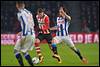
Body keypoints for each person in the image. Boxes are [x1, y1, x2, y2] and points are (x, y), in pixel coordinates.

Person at [14, 1, 35, 66]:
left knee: (17, 51)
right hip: (32, 34)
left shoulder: (21, 13)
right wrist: (22, 32)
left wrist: (23, 35)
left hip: (26, 35)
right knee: (22, 51)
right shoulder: (29, 12)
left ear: (17, 5)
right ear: (24, 5)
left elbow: (25, 24)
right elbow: (32, 24)